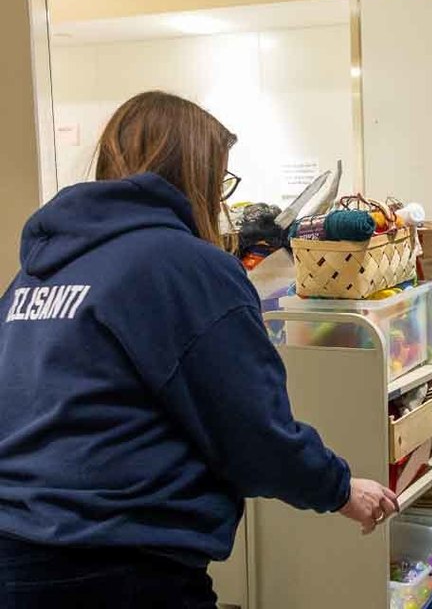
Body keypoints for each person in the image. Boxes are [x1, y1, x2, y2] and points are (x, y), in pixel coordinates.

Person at [0, 92, 397, 607]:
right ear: (193, 171)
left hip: (17, 552)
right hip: (118, 564)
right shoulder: (184, 265)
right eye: (220, 178)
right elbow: (252, 430)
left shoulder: (35, 273)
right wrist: (340, 488)